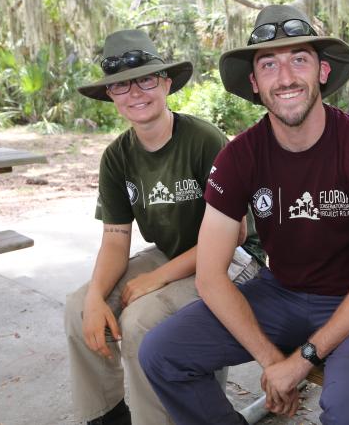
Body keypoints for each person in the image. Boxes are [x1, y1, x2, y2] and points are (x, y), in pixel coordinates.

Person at [138, 4, 349, 424]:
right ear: (254, 82)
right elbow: (211, 276)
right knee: (161, 353)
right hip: (280, 294)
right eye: (269, 65)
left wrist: (300, 361)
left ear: (321, 71)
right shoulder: (239, 155)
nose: (285, 78)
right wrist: (271, 362)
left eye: (299, 60)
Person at [64, 29, 264, 425]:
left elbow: (236, 234)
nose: (135, 92)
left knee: (142, 319)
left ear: (166, 83)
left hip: (234, 260)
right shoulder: (117, 156)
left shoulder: (203, 140)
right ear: (110, 96)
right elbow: (115, 240)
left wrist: (157, 279)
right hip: (172, 253)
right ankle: (107, 415)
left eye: (146, 79)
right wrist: (95, 298)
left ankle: (161, 419)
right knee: (77, 307)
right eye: (121, 85)